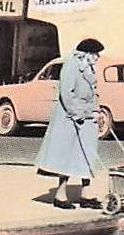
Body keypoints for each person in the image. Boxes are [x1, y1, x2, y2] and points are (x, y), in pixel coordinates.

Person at [34, 38, 104, 209]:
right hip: (70, 117)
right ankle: (60, 196)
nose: (97, 58)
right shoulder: (72, 65)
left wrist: (96, 110)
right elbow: (66, 92)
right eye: (95, 54)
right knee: (67, 156)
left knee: (87, 154)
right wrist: (77, 113)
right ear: (85, 53)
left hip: (87, 117)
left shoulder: (89, 67)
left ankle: (85, 195)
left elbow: (93, 92)